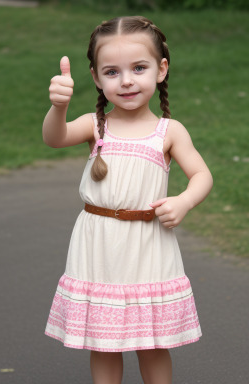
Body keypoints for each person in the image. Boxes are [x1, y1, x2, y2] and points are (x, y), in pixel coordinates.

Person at [43, 16, 213, 384]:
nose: (126, 81)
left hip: (148, 246)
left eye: (139, 68)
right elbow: (55, 138)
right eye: (112, 72)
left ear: (161, 69)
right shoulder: (94, 125)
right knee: (104, 342)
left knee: (152, 341)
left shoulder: (169, 132)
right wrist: (58, 107)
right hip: (99, 244)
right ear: (95, 77)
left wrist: (183, 201)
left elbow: (202, 175)